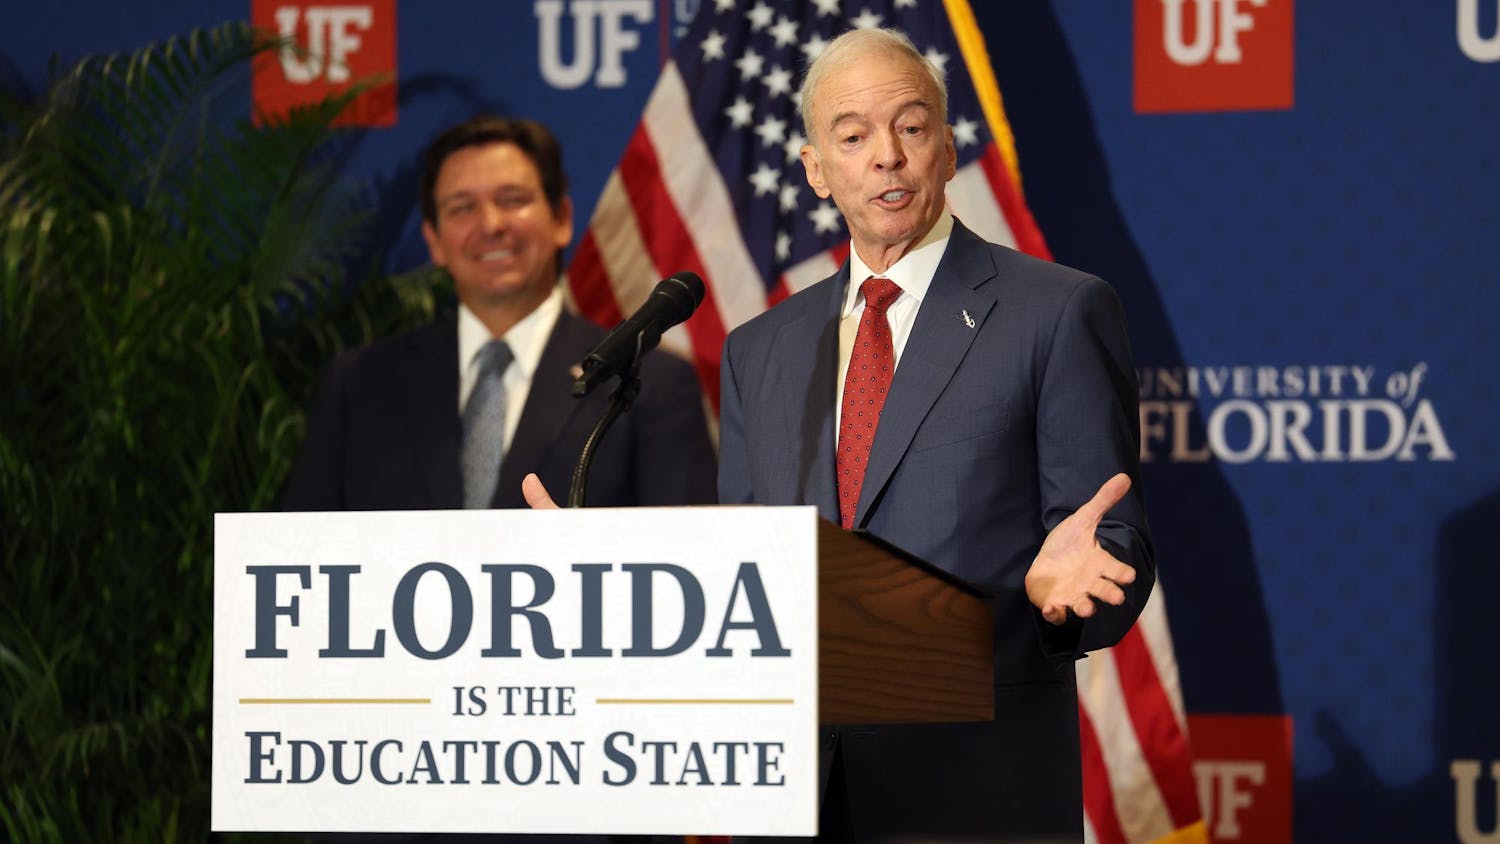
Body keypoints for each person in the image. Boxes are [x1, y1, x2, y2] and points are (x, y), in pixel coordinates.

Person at [714, 28, 1157, 842]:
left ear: (947, 152)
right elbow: (749, 566)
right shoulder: (758, 350)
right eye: (852, 136)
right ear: (817, 170)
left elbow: (1109, 538)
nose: (886, 155)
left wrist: (1065, 600)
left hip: (977, 788)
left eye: (911, 127)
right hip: (797, 798)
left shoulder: (1056, 313)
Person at [284, 115, 716, 512]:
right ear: (433, 239)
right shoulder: (360, 384)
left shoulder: (650, 383)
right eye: (462, 207)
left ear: (561, 218)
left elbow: (689, 561)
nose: (491, 224)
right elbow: (301, 550)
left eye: (512, 200)